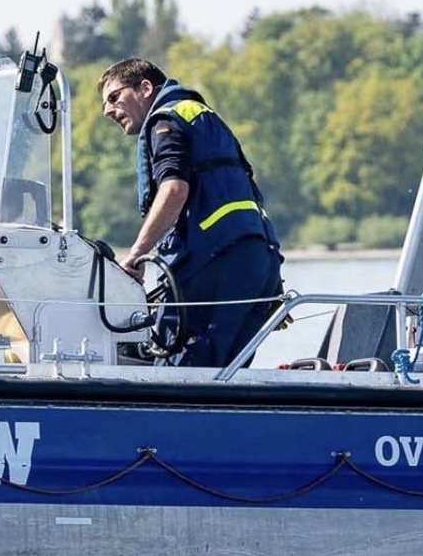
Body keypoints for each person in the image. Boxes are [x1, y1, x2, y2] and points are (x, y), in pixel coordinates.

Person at [97, 57, 283, 368]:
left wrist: (136, 256)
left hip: (215, 261)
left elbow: (174, 190)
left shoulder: (165, 119)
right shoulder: (206, 120)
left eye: (114, 97)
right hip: (259, 260)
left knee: (177, 369)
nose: (107, 110)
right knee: (227, 374)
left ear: (145, 88)